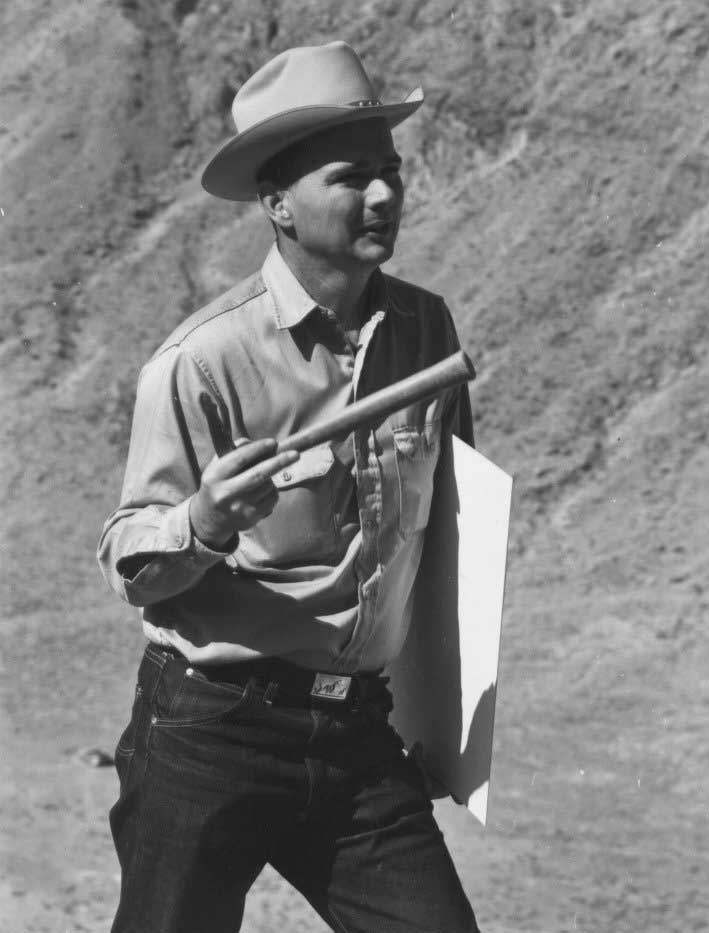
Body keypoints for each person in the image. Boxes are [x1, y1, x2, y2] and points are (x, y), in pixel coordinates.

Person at [98, 40, 478, 933]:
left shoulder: (427, 331)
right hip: (211, 731)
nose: (383, 195)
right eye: (350, 177)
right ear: (277, 204)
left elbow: (446, 541)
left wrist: (442, 719)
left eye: (390, 171)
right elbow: (126, 561)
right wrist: (204, 521)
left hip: (357, 736)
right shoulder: (202, 360)